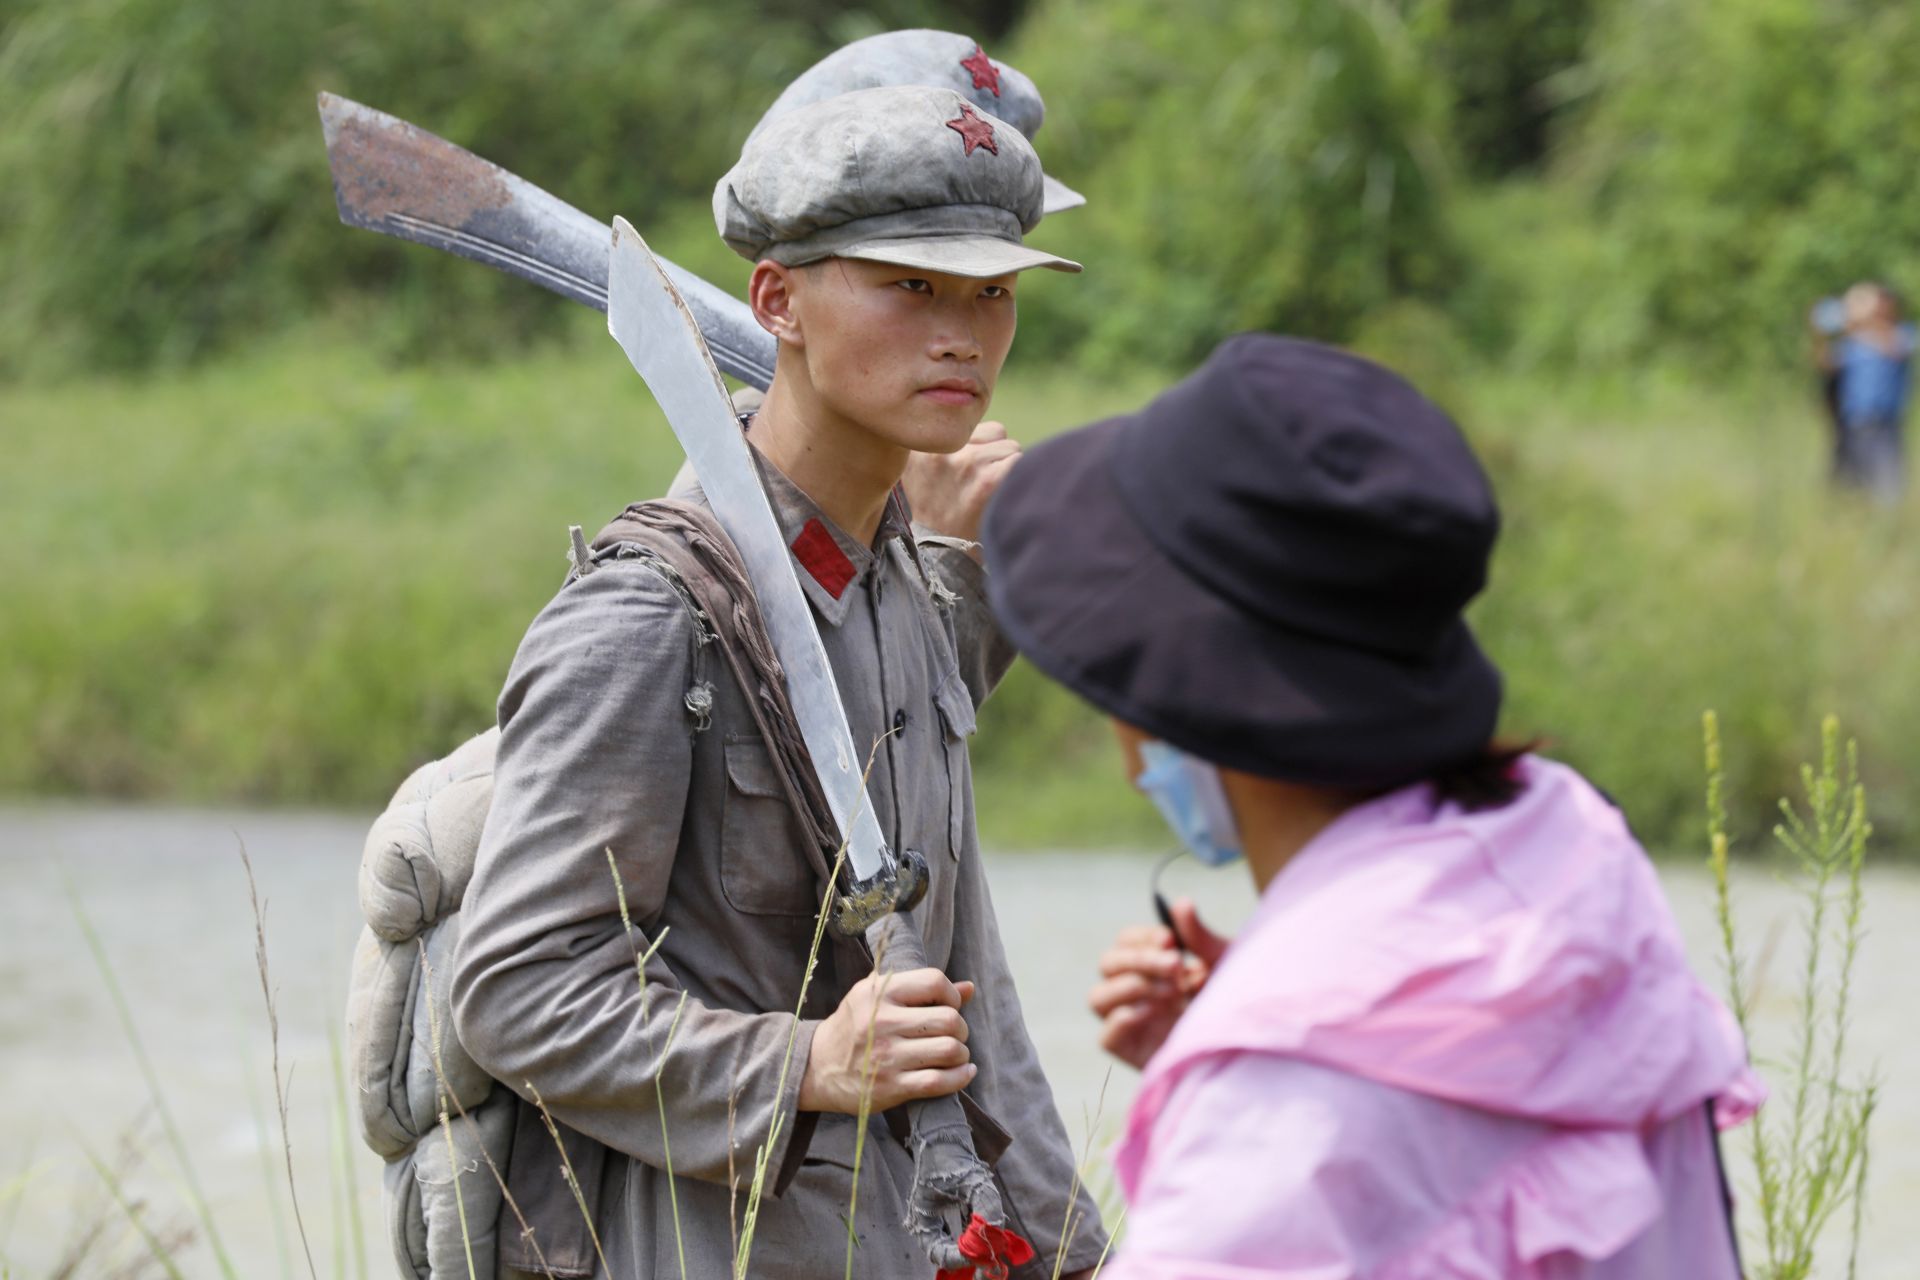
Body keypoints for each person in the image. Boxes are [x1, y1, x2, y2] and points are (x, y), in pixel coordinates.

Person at [451, 81, 1106, 1279]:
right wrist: (805, 1064)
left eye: (991, 293)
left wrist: (1063, 1251)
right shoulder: (653, 615)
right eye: (910, 285)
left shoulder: (899, 574)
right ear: (775, 300)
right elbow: (516, 991)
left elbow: (964, 966)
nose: (961, 332)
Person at [979, 335, 1763, 1278]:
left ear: (1180, 694)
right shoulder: (1569, 847)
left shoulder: (1276, 1127)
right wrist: (1269, 1009)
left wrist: (1267, 1058)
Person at [1818, 281, 1916, 502]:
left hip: (1885, 422)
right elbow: (1825, 364)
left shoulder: (1903, 334)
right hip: (1853, 422)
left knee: (1888, 485)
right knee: (1850, 484)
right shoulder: (1852, 341)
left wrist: (1865, 319)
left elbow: (1893, 349)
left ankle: (1888, 528)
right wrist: (1822, 331)